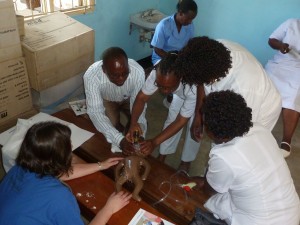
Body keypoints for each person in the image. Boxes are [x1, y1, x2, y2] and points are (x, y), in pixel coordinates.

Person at [174, 36, 282, 167]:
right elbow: (201, 83)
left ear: (211, 77)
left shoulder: (244, 87)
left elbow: (229, 132)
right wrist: (198, 114)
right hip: (228, 90)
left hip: (262, 108)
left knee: (233, 147)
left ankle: (215, 177)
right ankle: (188, 163)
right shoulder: (210, 53)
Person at [0, 121, 132, 225]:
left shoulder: (21, 167)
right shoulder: (59, 197)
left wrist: (100, 165)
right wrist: (109, 208)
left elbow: (60, 173)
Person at [199, 90, 300, 225]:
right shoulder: (260, 130)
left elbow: (211, 190)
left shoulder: (223, 156)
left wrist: (210, 172)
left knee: (212, 203)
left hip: (262, 222)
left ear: (214, 131)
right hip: (292, 213)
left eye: (205, 124)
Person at [126, 52, 198, 171]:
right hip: (180, 94)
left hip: (199, 96)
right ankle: (164, 153)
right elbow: (141, 98)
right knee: (171, 120)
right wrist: (133, 123)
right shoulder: (159, 70)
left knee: (194, 128)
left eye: (168, 87)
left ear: (180, 78)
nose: (164, 92)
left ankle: (186, 161)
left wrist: (154, 142)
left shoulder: (193, 85)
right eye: (160, 86)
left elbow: (181, 121)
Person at [84, 47, 147, 155]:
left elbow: (140, 104)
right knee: (107, 128)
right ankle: (117, 125)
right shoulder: (91, 76)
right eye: (115, 75)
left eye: (125, 73)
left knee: (135, 130)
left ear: (128, 66)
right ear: (104, 69)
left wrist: (139, 130)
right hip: (107, 100)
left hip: (129, 98)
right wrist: (120, 140)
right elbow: (96, 112)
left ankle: (125, 128)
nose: (121, 79)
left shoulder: (138, 72)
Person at [151, 0, 197, 108]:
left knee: (190, 73)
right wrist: (173, 60)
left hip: (179, 57)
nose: (190, 22)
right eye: (188, 18)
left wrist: (184, 58)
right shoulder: (164, 25)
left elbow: (189, 45)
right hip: (161, 57)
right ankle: (171, 96)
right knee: (172, 73)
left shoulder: (189, 26)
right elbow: (157, 49)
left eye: (192, 19)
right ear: (180, 13)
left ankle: (178, 97)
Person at [265, 18, 300, 158]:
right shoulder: (291, 23)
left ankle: (286, 140)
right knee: (264, 86)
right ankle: (257, 128)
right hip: (279, 64)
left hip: (298, 69)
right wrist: (280, 46)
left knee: (293, 94)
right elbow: (271, 40)